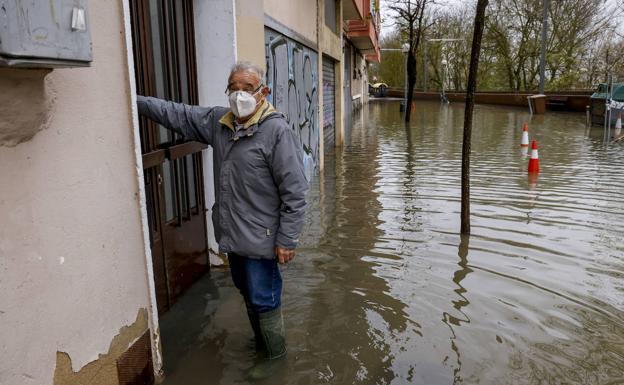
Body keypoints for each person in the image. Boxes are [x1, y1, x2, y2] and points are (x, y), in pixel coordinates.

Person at [137, 61, 308, 369]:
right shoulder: (220, 123)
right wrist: (136, 102)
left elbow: (295, 193)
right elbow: (178, 114)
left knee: (263, 298)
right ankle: (262, 345)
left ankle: (274, 363)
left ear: (263, 93)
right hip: (233, 235)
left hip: (263, 238)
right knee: (247, 292)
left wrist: (287, 239)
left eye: (247, 88)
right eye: (234, 88)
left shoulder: (276, 131)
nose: (239, 95)